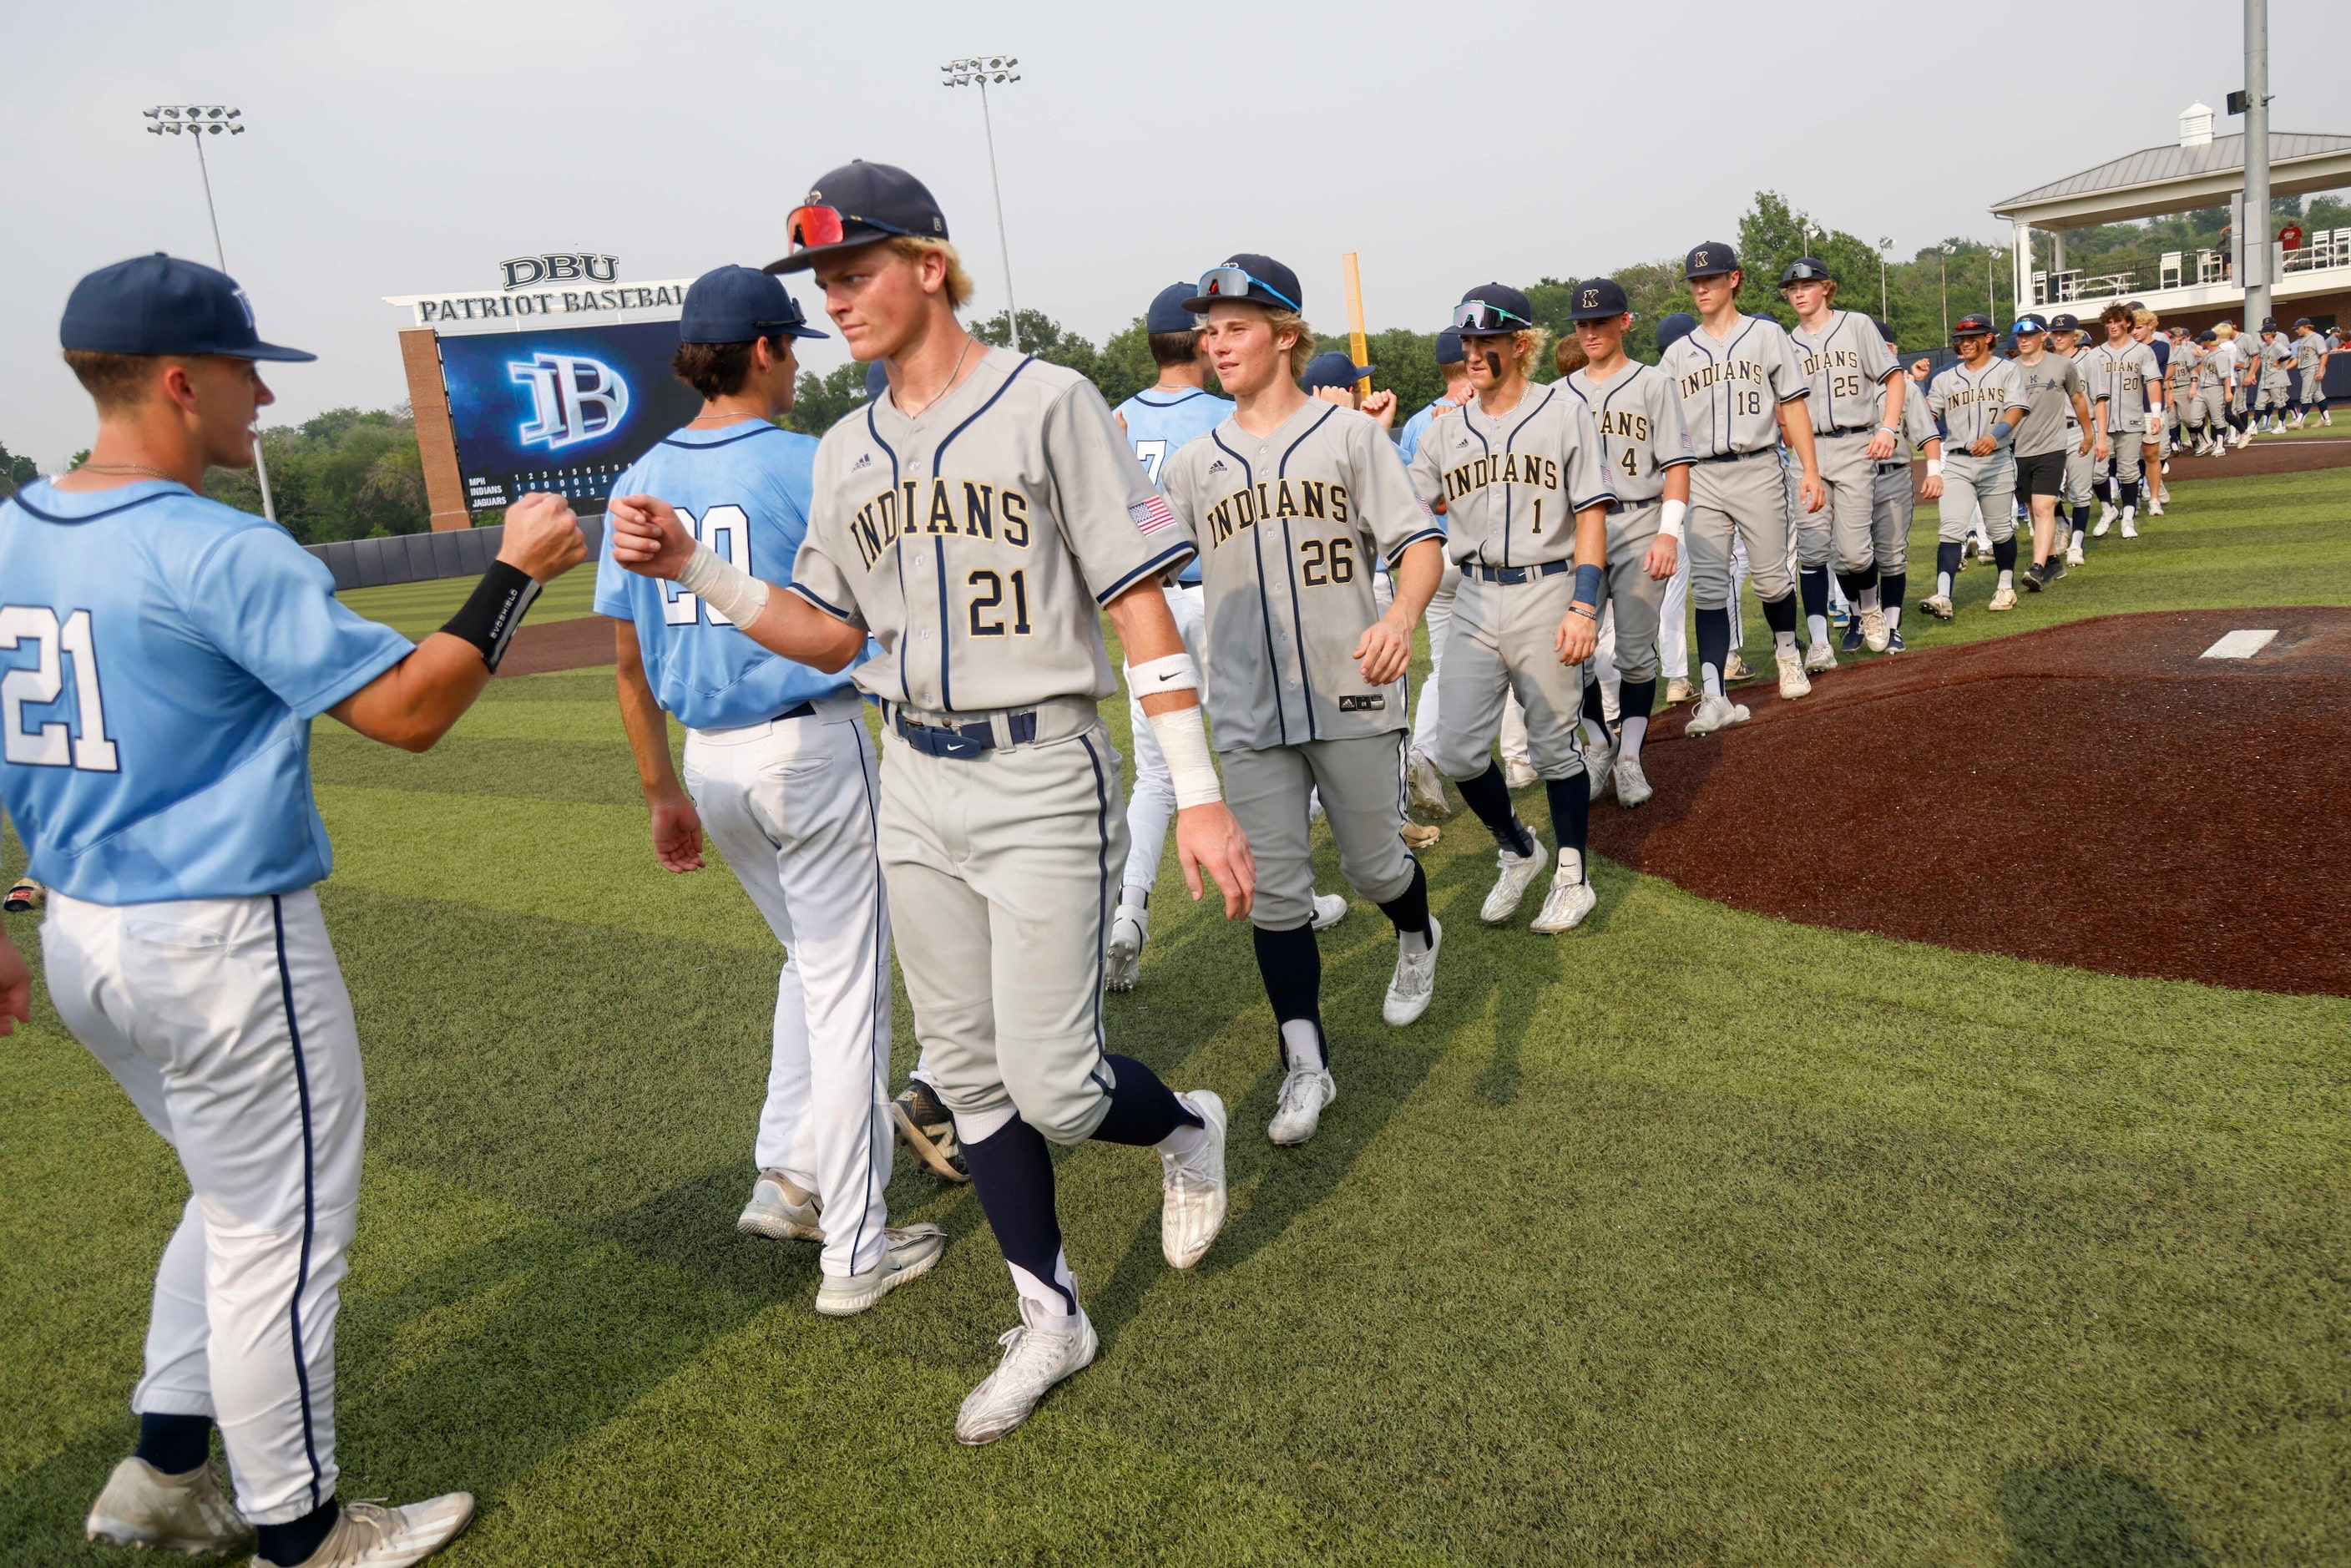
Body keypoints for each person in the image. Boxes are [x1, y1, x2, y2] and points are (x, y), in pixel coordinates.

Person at [609, 161, 1251, 1446]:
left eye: (855, 271)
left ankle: (1186, 1124)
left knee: (1061, 1086)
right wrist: (698, 572)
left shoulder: (1052, 400)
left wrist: (1197, 795)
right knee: (962, 1073)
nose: (834, 301)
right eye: (822, 282)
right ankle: (1048, 1311)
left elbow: (1135, 600)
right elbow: (823, 630)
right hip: (911, 771)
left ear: (932, 264)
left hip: (1041, 765)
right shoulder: (844, 446)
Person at [3, 253, 587, 1565]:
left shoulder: (16, 526)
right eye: (243, 368)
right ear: (175, 379)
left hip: (80, 927)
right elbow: (410, 711)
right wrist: (516, 573)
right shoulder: (214, 542)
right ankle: (304, 1532)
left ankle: (162, 1469)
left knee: (231, 1201)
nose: (261, 394)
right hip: (216, 940)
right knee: (278, 1231)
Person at [596, 265, 954, 1308]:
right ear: (760, 350)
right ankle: (854, 1249)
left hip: (707, 760)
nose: (798, 362)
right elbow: (892, 613)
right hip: (809, 744)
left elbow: (625, 663)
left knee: (809, 965)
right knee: (849, 995)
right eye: (789, 346)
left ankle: (786, 1177)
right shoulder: (812, 461)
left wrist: (660, 790)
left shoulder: (639, 476)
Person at [1158, 254, 1447, 1141]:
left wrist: (1400, 614)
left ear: (1285, 334)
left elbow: (1417, 543)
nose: (1217, 344)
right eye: (1207, 330)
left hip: (1349, 691)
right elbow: (1140, 556)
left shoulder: (1351, 437)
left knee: (1372, 869)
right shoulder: (1191, 463)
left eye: (1235, 326)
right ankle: (1304, 1066)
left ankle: (1415, 930)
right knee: (1275, 898)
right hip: (1246, 711)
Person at [1407, 283, 1617, 931]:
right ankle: (1519, 848)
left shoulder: (1563, 412)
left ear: (1518, 345)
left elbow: (1590, 514)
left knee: (1554, 748)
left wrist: (1584, 606)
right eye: (1467, 341)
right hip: (1472, 591)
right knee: (1463, 752)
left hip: (1548, 587)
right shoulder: (1445, 432)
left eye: (1486, 341)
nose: (1473, 352)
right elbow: (1405, 507)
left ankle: (1572, 874)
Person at [1103, 282, 1267, 994]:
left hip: (1150, 611)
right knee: (1259, 754)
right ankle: (1284, 893)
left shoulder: (1114, 420)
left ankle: (1129, 914)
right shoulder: (1230, 413)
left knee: (1158, 778)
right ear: (1202, 341)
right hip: (1221, 598)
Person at [1656, 243, 1823, 736]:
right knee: (1708, 586)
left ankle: (1788, 652)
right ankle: (1713, 694)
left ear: (1735, 279)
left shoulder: (1767, 334)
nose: (1701, 287)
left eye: (1710, 278)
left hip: (1758, 467)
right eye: (1694, 281)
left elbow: (1792, 406)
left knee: (1772, 580)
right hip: (1702, 475)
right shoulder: (1676, 354)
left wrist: (1809, 470)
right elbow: (1663, 430)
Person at [1561, 278, 1693, 808]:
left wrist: (1668, 530)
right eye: (1583, 323)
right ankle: (1600, 745)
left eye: (1601, 320)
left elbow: (1677, 465)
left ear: (1624, 322)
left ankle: (1632, 757)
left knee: (1637, 657)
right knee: (1573, 655)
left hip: (1639, 522)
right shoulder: (1558, 394)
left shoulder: (1653, 384)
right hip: (1577, 534)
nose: (1591, 331)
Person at [1779, 258, 1907, 670]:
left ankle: (1869, 607)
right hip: (1808, 451)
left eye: (1808, 285)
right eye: (1792, 288)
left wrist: (1888, 428)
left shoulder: (1856, 325)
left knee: (1854, 554)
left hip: (1855, 444)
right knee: (1814, 553)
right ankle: (1819, 643)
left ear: (1826, 288)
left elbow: (1894, 378)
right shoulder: (1786, 341)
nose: (1799, 293)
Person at [1918, 314, 2025, 620]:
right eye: (1961, 339)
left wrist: (1995, 436)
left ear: (1989, 338)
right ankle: (1943, 595)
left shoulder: (2006, 370)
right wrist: (1916, 389)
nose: (1965, 343)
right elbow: (1928, 414)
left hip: (1997, 459)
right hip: (1958, 461)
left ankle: (2005, 586)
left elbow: (2016, 408)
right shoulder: (1944, 379)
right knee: (1951, 530)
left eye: (1972, 337)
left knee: (1999, 529)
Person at [2005, 315, 2096, 591]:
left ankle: (2038, 567)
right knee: (2033, 508)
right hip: (2019, 448)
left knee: (2044, 507)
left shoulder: (2062, 364)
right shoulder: (2008, 370)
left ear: (2043, 337)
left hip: (2052, 447)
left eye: (2030, 335)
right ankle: (2054, 562)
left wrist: (2088, 432)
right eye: (2019, 335)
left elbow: (2078, 398)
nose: (2023, 340)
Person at [1651, 311, 1701, 701]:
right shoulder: (1677, 385)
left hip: (1639, 509)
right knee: (1681, 595)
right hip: (1676, 503)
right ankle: (1677, 677)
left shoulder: (1645, 383)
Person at [2088, 303, 2159, 539]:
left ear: (2127, 323)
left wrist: (2156, 414)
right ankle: (2108, 510)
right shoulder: (2096, 354)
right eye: (2108, 322)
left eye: (2116, 321)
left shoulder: (2142, 351)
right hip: (2102, 423)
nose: (2112, 326)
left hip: (2131, 419)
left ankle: (2128, 519)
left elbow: (2153, 382)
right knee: (2098, 473)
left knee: (2128, 472)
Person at [2047, 313, 2105, 565]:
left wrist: (2100, 437)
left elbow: (2100, 400)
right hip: (2049, 433)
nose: (2059, 336)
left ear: (2075, 335)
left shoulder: (2089, 360)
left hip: (2081, 430)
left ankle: (2077, 545)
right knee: (2047, 492)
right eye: (2055, 333)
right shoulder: (2047, 362)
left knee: (2080, 493)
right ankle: (2062, 524)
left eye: (2064, 332)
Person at [2290, 317, 2328, 425]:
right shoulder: (2301, 340)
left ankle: (2299, 421)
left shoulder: (2317, 337)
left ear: (2306, 327)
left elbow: (2324, 354)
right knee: (2317, 394)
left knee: (2306, 395)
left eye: (2298, 328)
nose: (2296, 330)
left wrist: (2320, 370)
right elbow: (2297, 358)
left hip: (2313, 368)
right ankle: (2326, 419)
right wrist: (2286, 368)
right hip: (2304, 368)